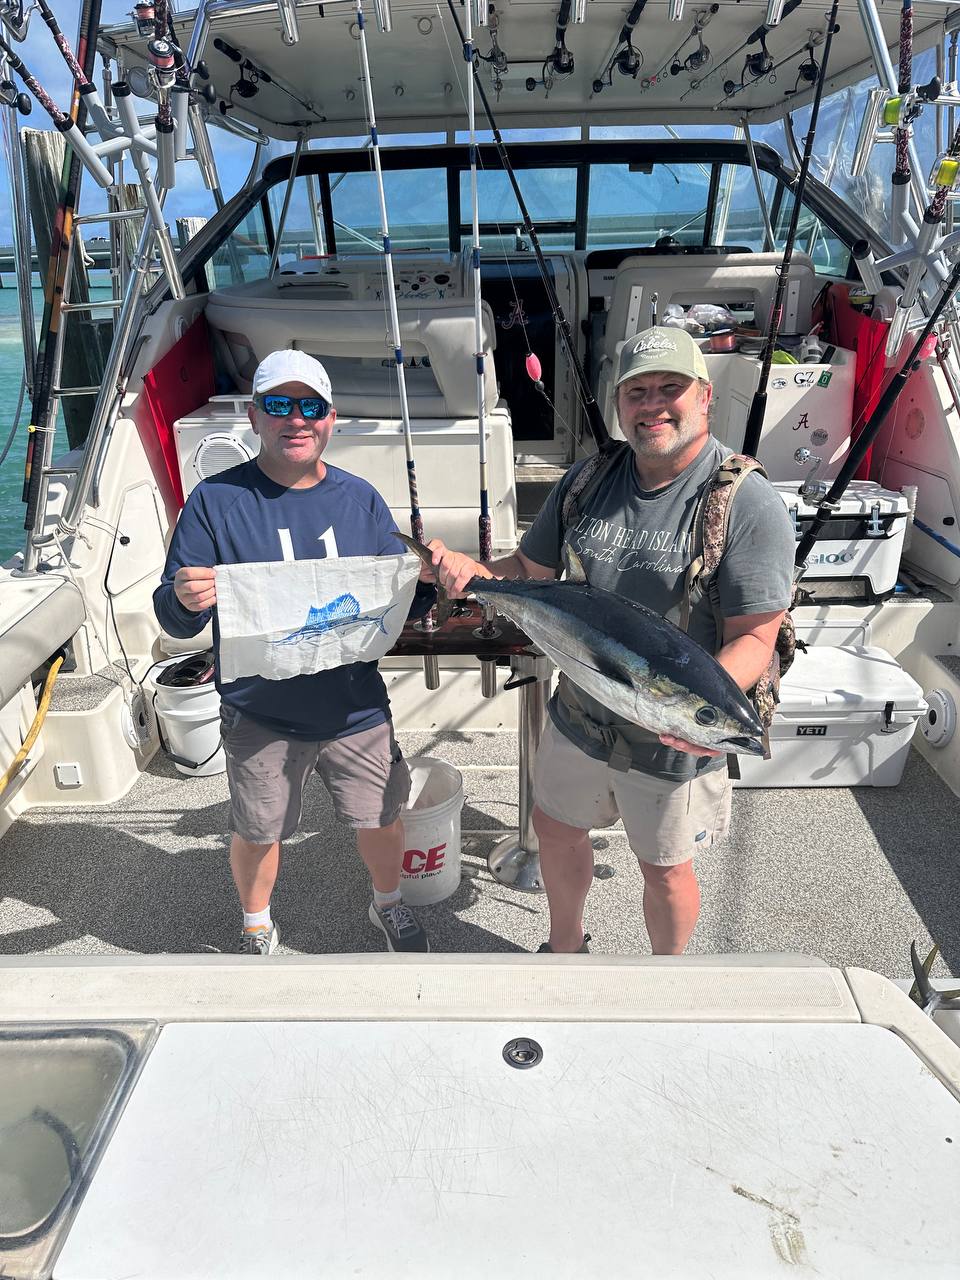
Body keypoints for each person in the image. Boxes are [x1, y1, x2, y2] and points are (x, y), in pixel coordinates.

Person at [425, 325, 796, 955]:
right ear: (620, 405)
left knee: (666, 867)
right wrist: (468, 574)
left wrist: (700, 714)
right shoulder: (587, 480)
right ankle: (566, 947)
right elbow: (526, 576)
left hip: (674, 732)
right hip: (581, 714)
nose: (652, 404)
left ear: (704, 397)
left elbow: (756, 637)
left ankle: (664, 979)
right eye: (637, 392)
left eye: (670, 388)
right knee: (555, 828)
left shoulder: (745, 502)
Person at [153, 349, 436, 956]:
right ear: (255, 417)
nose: (296, 419)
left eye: (310, 406)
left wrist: (428, 584)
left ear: (330, 419)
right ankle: (256, 925)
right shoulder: (214, 501)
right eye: (279, 405)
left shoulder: (360, 499)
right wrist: (185, 597)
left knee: (383, 816)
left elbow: (394, 605)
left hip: (355, 707)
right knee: (258, 829)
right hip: (259, 711)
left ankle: (388, 903)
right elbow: (173, 618)